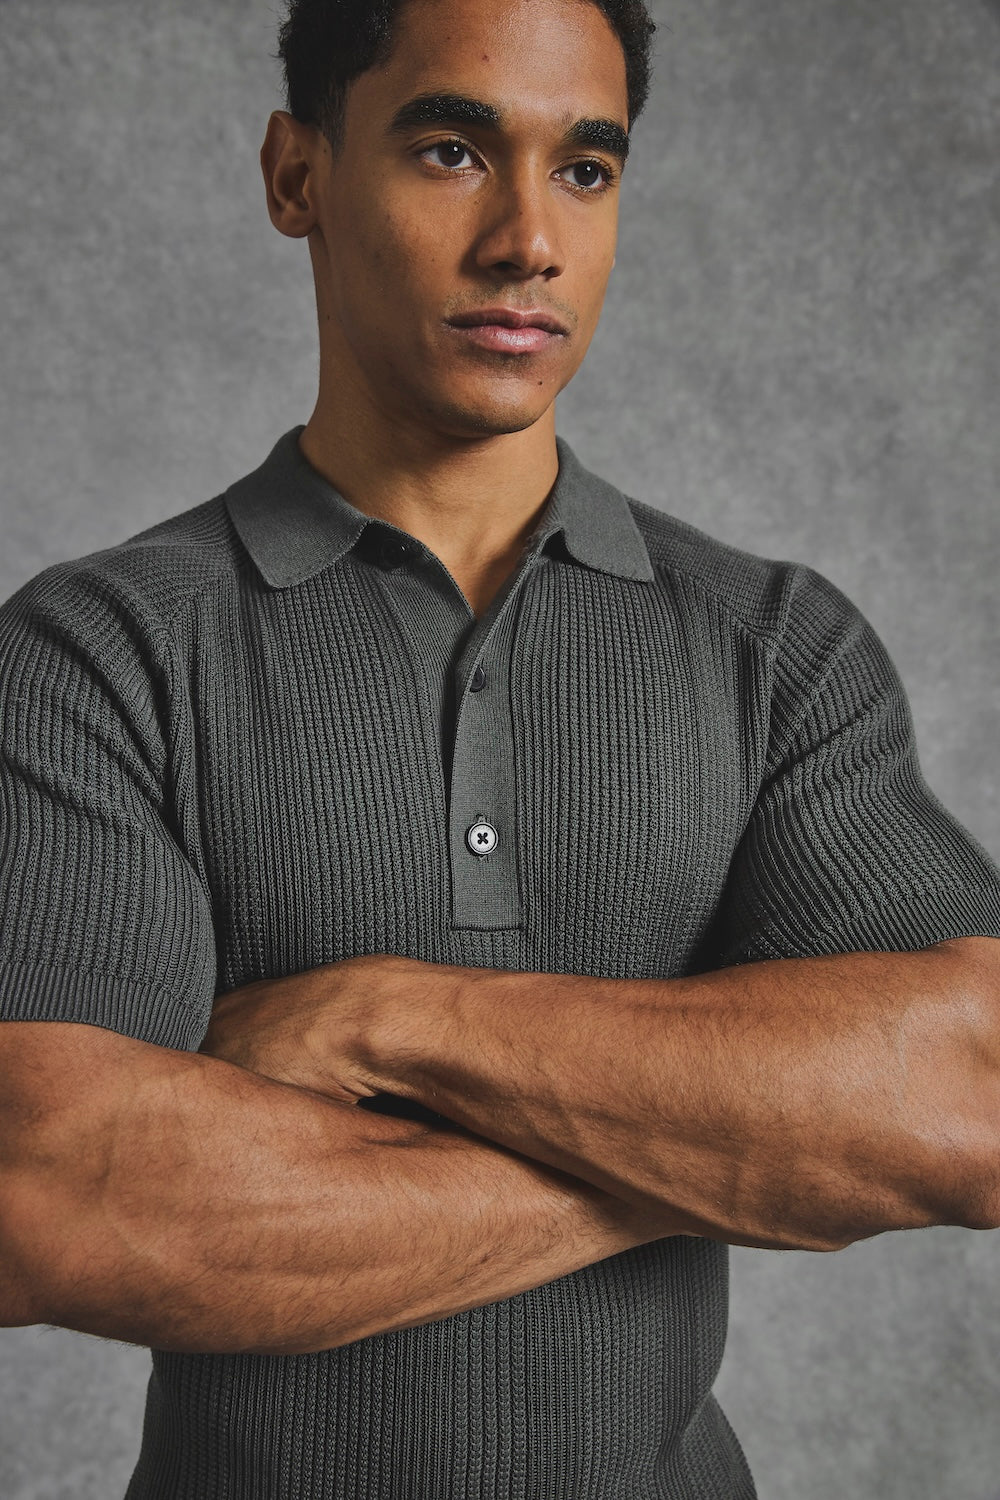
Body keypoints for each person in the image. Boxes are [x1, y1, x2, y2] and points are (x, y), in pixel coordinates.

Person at [1, 0, 998, 1495]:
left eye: (585, 169)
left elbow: (972, 1094)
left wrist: (386, 1019)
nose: (530, 240)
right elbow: (54, 1196)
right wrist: (714, 1152)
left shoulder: (772, 645)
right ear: (297, 175)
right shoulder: (100, 648)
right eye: (453, 150)